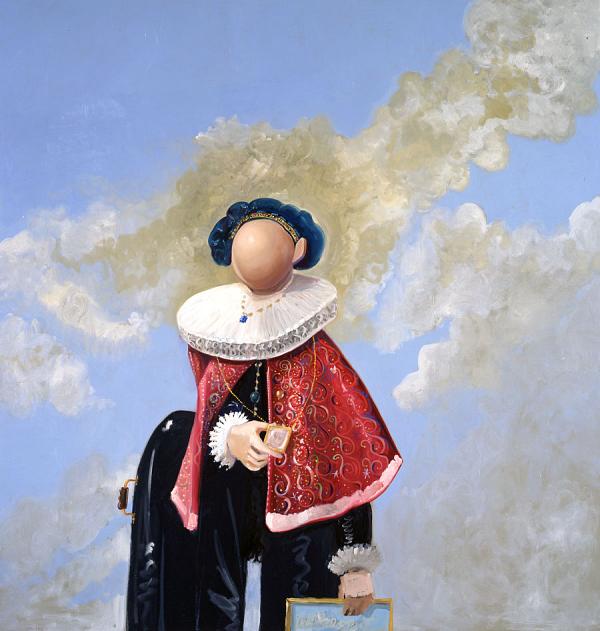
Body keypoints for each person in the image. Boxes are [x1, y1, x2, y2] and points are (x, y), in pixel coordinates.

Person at [126, 198, 402, 631]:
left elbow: (347, 457)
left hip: (303, 523)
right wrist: (230, 437)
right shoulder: (222, 344)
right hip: (225, 514)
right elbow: (207, 423)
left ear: (298, 251)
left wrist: (354, 565)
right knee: (211, 606)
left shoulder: (319, 359)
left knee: (298, 609)